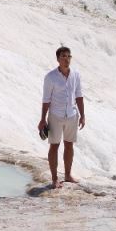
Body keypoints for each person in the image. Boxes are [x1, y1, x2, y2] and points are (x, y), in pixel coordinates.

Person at [38, 46, 85, 188]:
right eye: (63, 56)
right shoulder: (50, 77)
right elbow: (46, 99)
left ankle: (68, 175)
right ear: (58, 59)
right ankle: (54, 179)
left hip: (71, 114)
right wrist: (42, 119)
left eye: (68, 56)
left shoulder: (75, 75)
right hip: (56, 115)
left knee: (69, 144)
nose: (66, 59)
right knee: (54, 146)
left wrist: (82, 115)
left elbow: (79, 95)